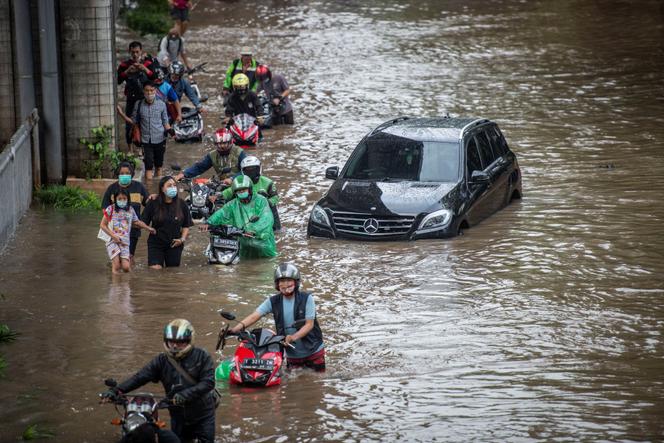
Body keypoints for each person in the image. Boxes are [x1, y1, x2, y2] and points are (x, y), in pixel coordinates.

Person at [102, 319, 216, 443]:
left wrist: (185, 394)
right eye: (171, 341)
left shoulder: (202, 356)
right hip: (177, 415)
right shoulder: (161, 360)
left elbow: (208, 382)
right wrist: (117, 390)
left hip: (203, 414)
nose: (175, 346)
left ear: (189, 341)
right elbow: (140, 377)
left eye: (180, 342)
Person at [230, 263, 325, 371]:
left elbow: (309, 324)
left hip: (314, 350)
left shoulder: (307, 299)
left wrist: (293, 337)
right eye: (282, 281)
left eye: (289, 280)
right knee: (293, 384)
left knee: (318, 381)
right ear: (277, 284)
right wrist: (234, 329)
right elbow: (254, 316)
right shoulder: (272, 301)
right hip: (292, 354)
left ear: (296, 281)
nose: (285, 284)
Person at [204, 175, 277, 258]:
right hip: (243, 243)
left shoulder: (261, 200)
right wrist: (209, 222)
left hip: (262, 244)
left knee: (266, 266)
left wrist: (253, 230)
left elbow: (266, 218)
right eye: (239, 191)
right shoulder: (233, 204)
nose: (241, 192)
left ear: (250, 189)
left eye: (244, 190)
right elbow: (221, 213)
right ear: (235, 193)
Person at [102, 162, 150, 262]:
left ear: (132, 174)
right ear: (118, 175)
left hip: (133, 230)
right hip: (114, 231)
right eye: (122, 173)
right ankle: (116, 275)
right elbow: (105, 210)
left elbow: (148, 204)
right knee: (115, 258)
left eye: (127, 173)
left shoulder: (139, 187)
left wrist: (154, 198)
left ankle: (128, 277)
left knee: (128, 257)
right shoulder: (112, 189)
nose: (124, 175)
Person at [99, 188, 156, 274]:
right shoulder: (110, 209)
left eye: (124, 199)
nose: (122, 201)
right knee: (117, 266)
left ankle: (129, 282)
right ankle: (115, 286)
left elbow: (136, 222)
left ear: (128, 199)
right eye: (119, 199)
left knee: (126, 267)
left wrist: (148, 228)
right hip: (112, 240)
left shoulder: (130, 210)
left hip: (125, 241)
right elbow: (102, 225)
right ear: (115, 199)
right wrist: (114, 236)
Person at [141, 176, 193, 269]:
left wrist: (182, 239)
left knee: (172, 272)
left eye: (174, 185)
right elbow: (142, 222)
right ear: (162, 188)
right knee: (155, 270)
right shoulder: (153, 203)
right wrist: (148, 228)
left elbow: (186, 225)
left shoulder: (182, 204)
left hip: (175, 243)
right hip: (156, 243)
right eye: (169, 186)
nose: (172, 188)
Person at [220, 155, 281, 230]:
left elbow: (275, 197)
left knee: (273, 207)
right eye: (248, 170)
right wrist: (217, 196)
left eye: (254, 169)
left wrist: (266, 202)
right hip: (243, 209)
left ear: (259, 169)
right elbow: (227, 193)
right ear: (243, 171)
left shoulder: (267, 182)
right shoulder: (239, 183)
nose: (251, 172)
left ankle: (276, 229)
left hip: (263, 211)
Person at [117, 41, 158, 149]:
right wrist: (127, 71)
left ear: (141, 51)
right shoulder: (124, 65)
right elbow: (118, 80)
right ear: (129, 52)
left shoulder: (148, 63)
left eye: (137, 52)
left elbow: (155, 78)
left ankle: (142, 149)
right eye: (133, 52)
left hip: (144, 98)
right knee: (129, 123)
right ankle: (130, 148)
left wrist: (144, 69)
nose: (135, 54)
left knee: (144, 123)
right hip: (131, 97)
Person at [131, 82, 174, 179]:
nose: (149, 93)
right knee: (148, 166)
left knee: (159, 166)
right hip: (146, 141)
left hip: (160, 139)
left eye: (151, 90)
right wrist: (122, 114)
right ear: (143, 91)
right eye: (147, 90)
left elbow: (165, 122)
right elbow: (134, 122)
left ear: (155, 91)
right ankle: (149, 188)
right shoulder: (138, 105)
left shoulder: (162, 104)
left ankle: (158, 186)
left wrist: (170, 130)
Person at [173, 128, 246, 185]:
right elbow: (199, 167)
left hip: (240, 185)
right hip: (222, 184)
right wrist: (184, 174)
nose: (222, 146)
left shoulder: (239, 152)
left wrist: (232, 179)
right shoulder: (212, 155)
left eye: (224, 143)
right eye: (219, 144)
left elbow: (246, 171)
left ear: (230, 142)